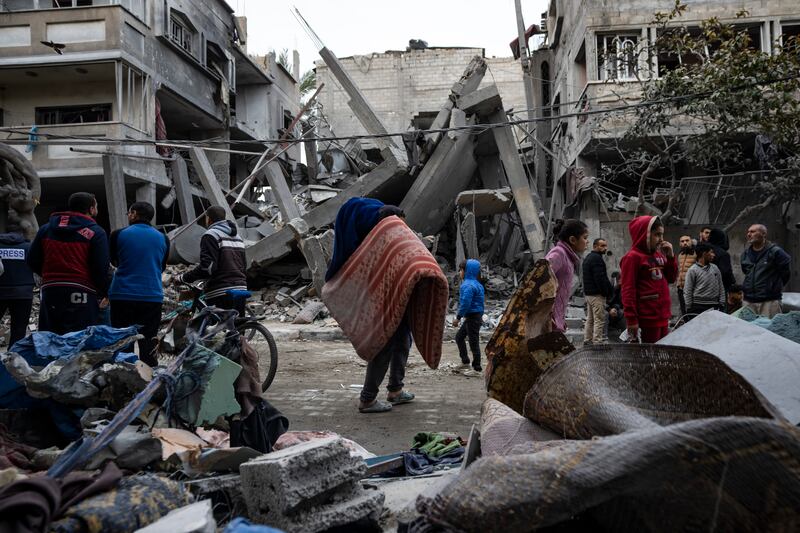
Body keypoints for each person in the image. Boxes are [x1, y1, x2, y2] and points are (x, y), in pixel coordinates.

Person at [325, 198, 412, 414]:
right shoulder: (370, 235)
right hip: (378, 298)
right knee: (384, 341)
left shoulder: (378, 224)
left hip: (392, 296)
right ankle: (368, 399)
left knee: (403, 336)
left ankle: (396, 390)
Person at [28, 192, 110, 335]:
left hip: (50, 290)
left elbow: (32, 260)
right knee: (79, 339)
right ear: (91, 209)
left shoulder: (46, 229)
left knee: (50, 338)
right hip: (82, 291)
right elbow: (100, 268)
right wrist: (103, 292)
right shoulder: (96, 232)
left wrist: (49, 275)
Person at [109, 202, 170, 366]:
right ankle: (150, 381)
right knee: (148, 341)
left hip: (122, 294)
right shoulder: (163, 238)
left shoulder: (118, 234)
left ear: (134, 213)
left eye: (129, 213)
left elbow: (114, 261)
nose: (128, 216)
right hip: (151, 296)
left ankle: (123, 378)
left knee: (122, 341)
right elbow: (162, 266)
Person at [179, 206, 248, 315]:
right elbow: (244, 265)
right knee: (237, 327)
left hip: (221, 290)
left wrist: (184, 277)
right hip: (241, 288)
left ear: (208, 219)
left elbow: (207, 268)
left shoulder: (211, 235)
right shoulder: (238, 237)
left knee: (207, 325)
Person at [620, 216, 677, 343]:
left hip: (663, 316)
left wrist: (671, 257)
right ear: (643, 235)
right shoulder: (632, 257)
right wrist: (631, 320)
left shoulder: (659, 255)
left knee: (661, 355)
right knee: (649, 357)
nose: (661, 240)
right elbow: (628, 290)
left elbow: (671, 278)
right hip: (647, 319)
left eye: (662, 235)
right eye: (657, 235)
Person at [545, 219, 589, 333]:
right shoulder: (559, 253)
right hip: (548, 321)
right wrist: (545, 315)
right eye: (585, 238)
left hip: (556, 320)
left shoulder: (568, 257)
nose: (587, 241)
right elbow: (539, 281)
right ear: (573, 240)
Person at [741, 224, 791, 318]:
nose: (749, 234)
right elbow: (746, 272)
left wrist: (773, 287)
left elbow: (785, 273)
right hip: (748, 301)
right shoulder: (745, 254)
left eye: (752, 231)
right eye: (748, 232)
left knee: (770, 329)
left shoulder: (776, 252)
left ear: (763, 234)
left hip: (769, 301)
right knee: (749, 330)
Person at [0, 228, 35, 346]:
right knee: (19, 329)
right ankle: (13, 358)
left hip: (1, 291)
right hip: (23, 293)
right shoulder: (28, 247)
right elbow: (37, 265)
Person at [453, 259, 485, 373]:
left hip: (472, 316)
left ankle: (477, 368)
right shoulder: (477, 284)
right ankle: (465, 362)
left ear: (467, 271)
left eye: (461, 270)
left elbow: (465, 303)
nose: (459, 272)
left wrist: (458, 317)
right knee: (459, 337)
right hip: (475, 316)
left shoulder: (467, 285)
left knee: (473, 341)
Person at [582, 238, 613, 344]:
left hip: (589, 295)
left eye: (605, 245)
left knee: (590, 319)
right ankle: (597, 343)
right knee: (599, 320)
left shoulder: (588, 258)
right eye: (602, 246)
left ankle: (587, 340)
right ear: (595, 246)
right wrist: (606, 292)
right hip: (596, 295)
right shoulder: (596, 259)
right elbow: (600, 278)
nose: (605, 248)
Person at [683, 243, 725, 320]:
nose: (713, 255)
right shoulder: (693, 270)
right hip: (698, 307)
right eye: (711, 252)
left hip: (714, 306)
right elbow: (687, 290)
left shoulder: (715, 268)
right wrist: (689, 308)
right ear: (704, 253)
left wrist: (721, 304)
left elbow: (721, 287)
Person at [676, 235, 696, 317]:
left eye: (687, 240)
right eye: (682, 241)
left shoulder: (696, 254)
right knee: (683, 311)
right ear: (680, 244)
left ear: (691, 242)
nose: (685, 243)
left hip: (692, 289)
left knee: (691, 311)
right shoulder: (680, 255)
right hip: (681, 287)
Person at [606, 273, 626, 341]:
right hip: (614, 312)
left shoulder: (627, 289)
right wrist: (612, 309)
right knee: (623, 314)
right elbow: (609, 302)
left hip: (622, 311)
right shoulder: (615, 290)